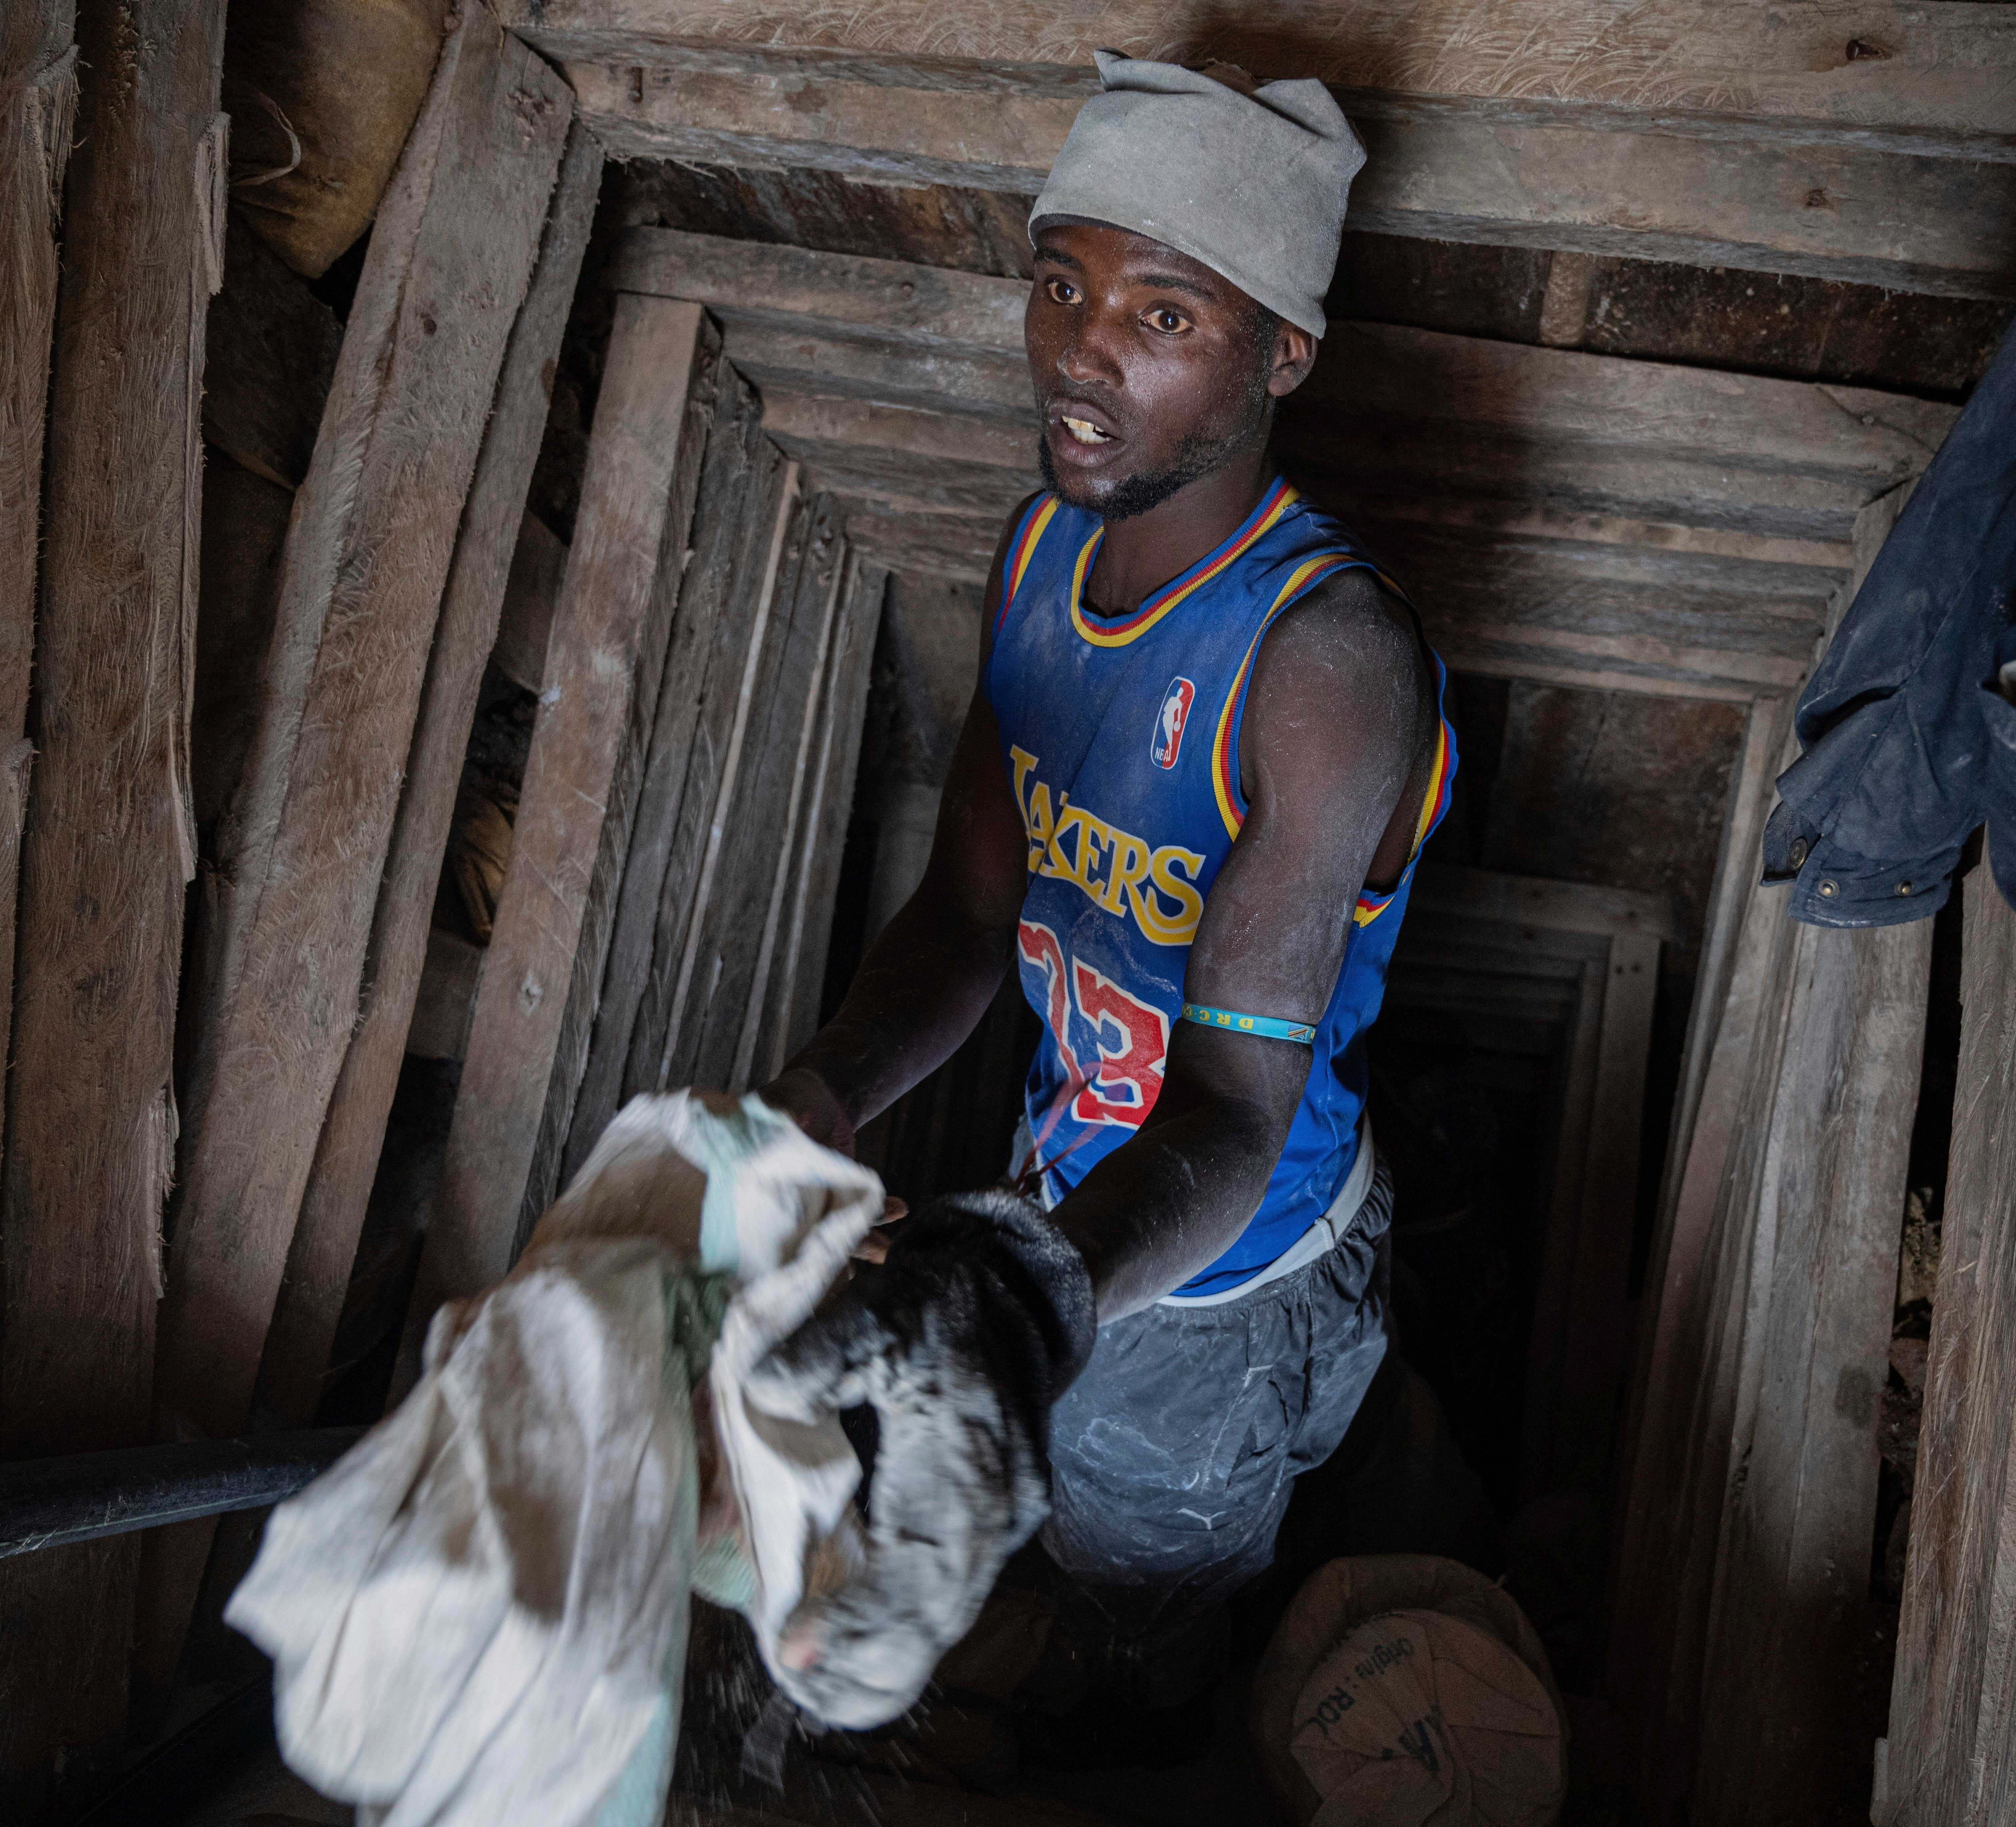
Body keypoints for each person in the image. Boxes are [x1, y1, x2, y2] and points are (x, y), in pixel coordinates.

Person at [737, 52, 1459, 1755]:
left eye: (1162, 314)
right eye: (1061, 283)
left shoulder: (1322, 663)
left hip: (1222, 1275)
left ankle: (1142, 1712)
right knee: (1036, 1466)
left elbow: (1225, 1105)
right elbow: (968, 915)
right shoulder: (1039, 557)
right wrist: (817, 1102)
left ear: (1280, 352)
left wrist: (1040, 1288)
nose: (1080, 351)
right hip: (1078, 1193)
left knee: (1147, 1551)